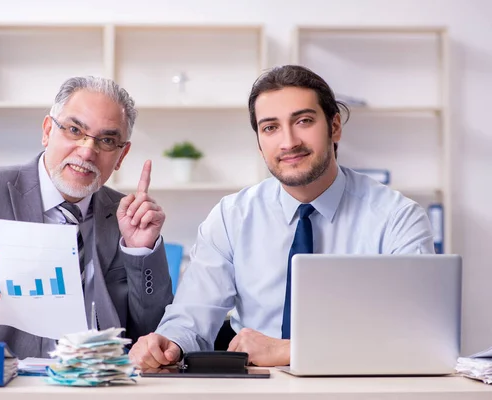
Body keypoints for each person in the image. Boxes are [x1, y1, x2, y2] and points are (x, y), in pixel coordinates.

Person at [129, 65, 435, 368]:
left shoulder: (398, 218)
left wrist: (291, 351)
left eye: (303, 121)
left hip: (362, 386)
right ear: (260, 143)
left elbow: (419, 338)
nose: (288, 142)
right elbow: (192, 317)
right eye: (270, 127)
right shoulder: (231, 217)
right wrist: (168, 344)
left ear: (335, 127)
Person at [0, 76, 173, 358]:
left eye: (107, 140)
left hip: (101, 385)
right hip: (2, 387)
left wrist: (141, 253)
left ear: (122, 155)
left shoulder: (127, 216)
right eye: (75, 129)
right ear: (48, 130)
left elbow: (155, 335)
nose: (88, 150)